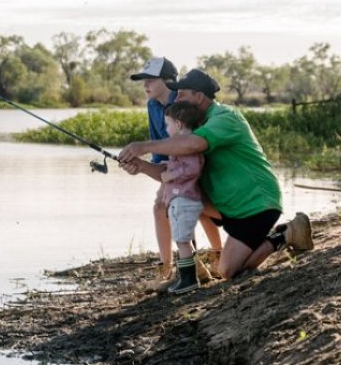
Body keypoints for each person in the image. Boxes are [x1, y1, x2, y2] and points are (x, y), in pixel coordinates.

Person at [117, 69, 314, 280]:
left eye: (182, 94)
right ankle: (194, 266)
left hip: (256, 205)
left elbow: (196, 144)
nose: (177, 98)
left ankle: (286, 233)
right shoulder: (191, 129)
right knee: (176, 199)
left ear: (199, 96)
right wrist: (141, 166)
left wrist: (145, 146)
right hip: (227, 207)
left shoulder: (224, 117)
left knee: (228, 271)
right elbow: (173, 174)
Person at [128, 58, 222, 286]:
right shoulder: (152, 105)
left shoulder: (182, 101)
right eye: (144, 81)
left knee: (184, 205)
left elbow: (193, 143)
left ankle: (214, 256)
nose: (145, 85)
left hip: (195, 166)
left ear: (169, 81)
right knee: (163, 205)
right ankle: (169, 268)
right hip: (175, 166)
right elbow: (159, 148)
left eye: (151, 80)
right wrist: (145, 168)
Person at [155, 102, 207, 294]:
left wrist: (171, 175)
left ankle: (189, 280)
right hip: (179, 201)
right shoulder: (181, 145)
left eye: (167, 124)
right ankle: (185, 277)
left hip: (185, 200)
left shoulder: (187, 145)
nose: (165, 128)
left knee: (182, 240)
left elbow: (192, 168)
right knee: (180, 239)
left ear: (178, 125)